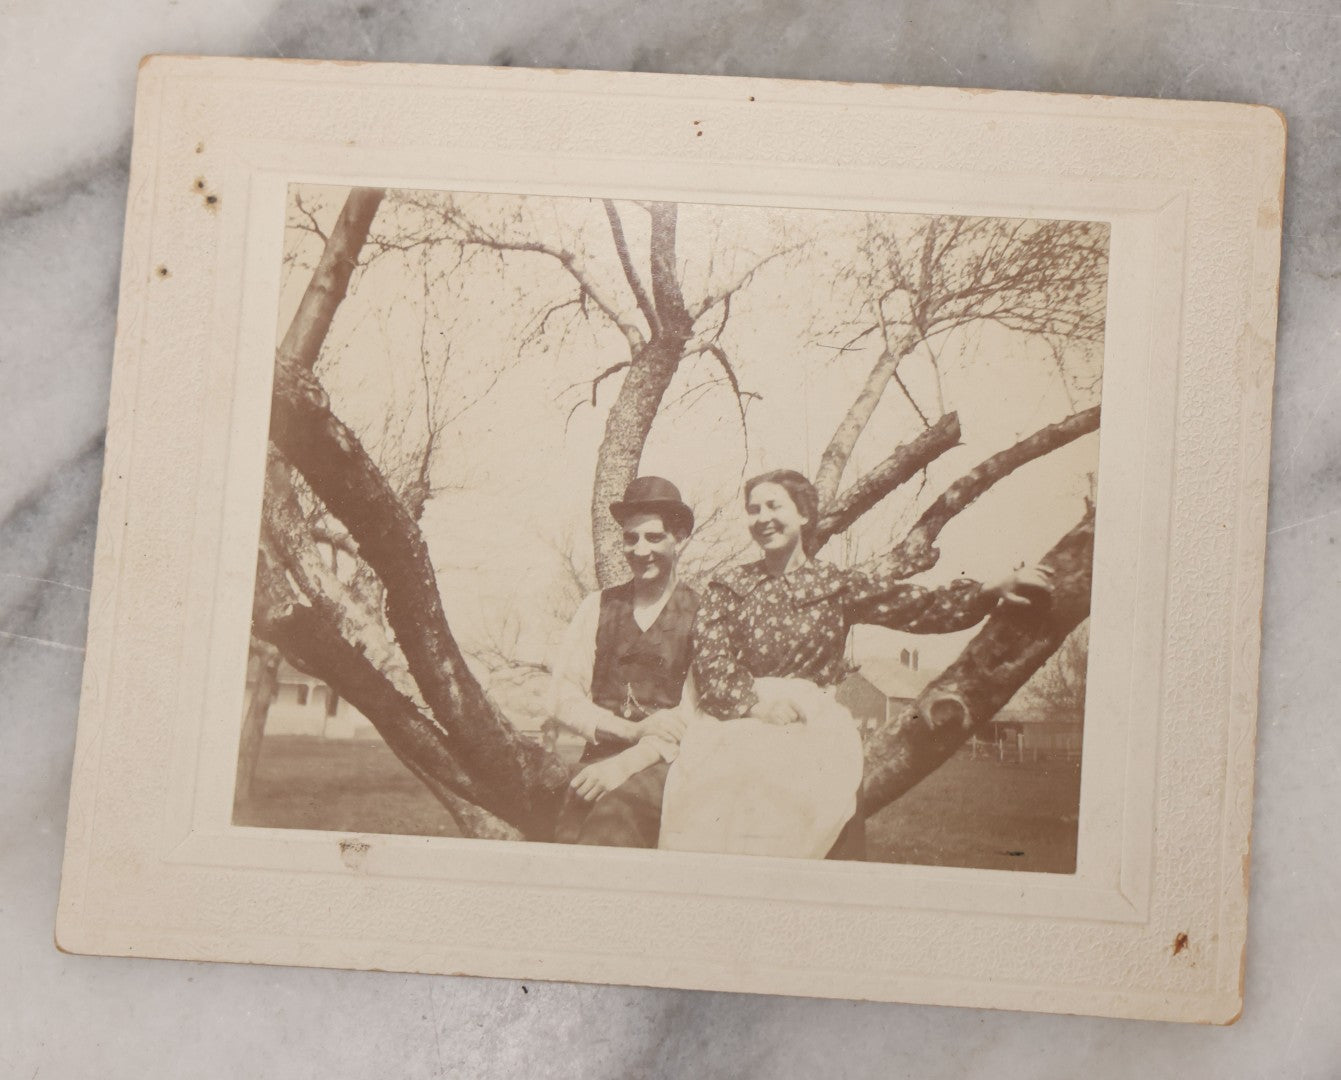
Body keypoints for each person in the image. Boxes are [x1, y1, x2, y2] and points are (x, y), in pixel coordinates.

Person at [658, 468, 1051, 860]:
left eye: (774, 506)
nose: (762, 518)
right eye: (753, 509)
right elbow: (711, 659)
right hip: (735, 720)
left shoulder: (836, 585)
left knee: (813, 824)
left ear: (804, 515)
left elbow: (917, 607)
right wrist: (757, 707)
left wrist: (989, 591)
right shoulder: (728, 586)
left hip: (808, 724)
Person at [548, 476, 700, 848]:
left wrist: (630, 760)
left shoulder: (703, 612)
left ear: (679, 539)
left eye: (653, 537)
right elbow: (561, 695)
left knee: (612, 827)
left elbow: (695, 715)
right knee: (564, 836)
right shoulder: (597, 606)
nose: (639, 549)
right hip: (600, 756)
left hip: (666, 765)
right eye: (630, 538)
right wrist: (626, 731)